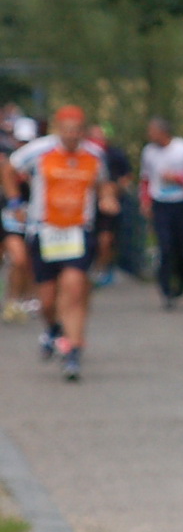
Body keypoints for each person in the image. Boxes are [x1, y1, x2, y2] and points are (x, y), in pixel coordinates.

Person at [4, 106, 118, 381]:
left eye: (76, 130)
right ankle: (53, 328)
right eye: (66, 130)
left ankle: (73, 351)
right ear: (57, 129)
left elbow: (104, 183)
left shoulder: (93, 154)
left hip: (79, 231)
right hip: (45, 231)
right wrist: (15, 201)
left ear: (83, 130)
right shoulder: (39, 150)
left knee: (75, 288)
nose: (71, 136)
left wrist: (107, 197)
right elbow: (8, 168)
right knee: (48, 300)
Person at [140, 118, 183, 307]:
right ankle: (165, 290)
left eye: (152, 131)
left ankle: (182, 280)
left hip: (180, 202)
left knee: (179, 246)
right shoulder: (149, 152)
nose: (150, 135)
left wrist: (177, 178)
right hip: (160, 202)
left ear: (163, 132)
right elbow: (145, 178)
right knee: (164, 245)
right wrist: (145, 201)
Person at [85, 124, 133, 287]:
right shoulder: (83, 155)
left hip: (109, 204)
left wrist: (115, 191)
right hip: (87, 204)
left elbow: (126, 177)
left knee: (106, 239)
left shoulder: (115, 155)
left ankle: (102, 269)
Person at [0, 113, 37, 321]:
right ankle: (13, 299)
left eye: (28, 141)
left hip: (32, 217)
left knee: (25, 260)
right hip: (10, 216)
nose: (23, 145)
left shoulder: (39, 159)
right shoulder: (8, 158)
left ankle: (19, 299)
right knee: (18, 258)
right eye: (21, 140)